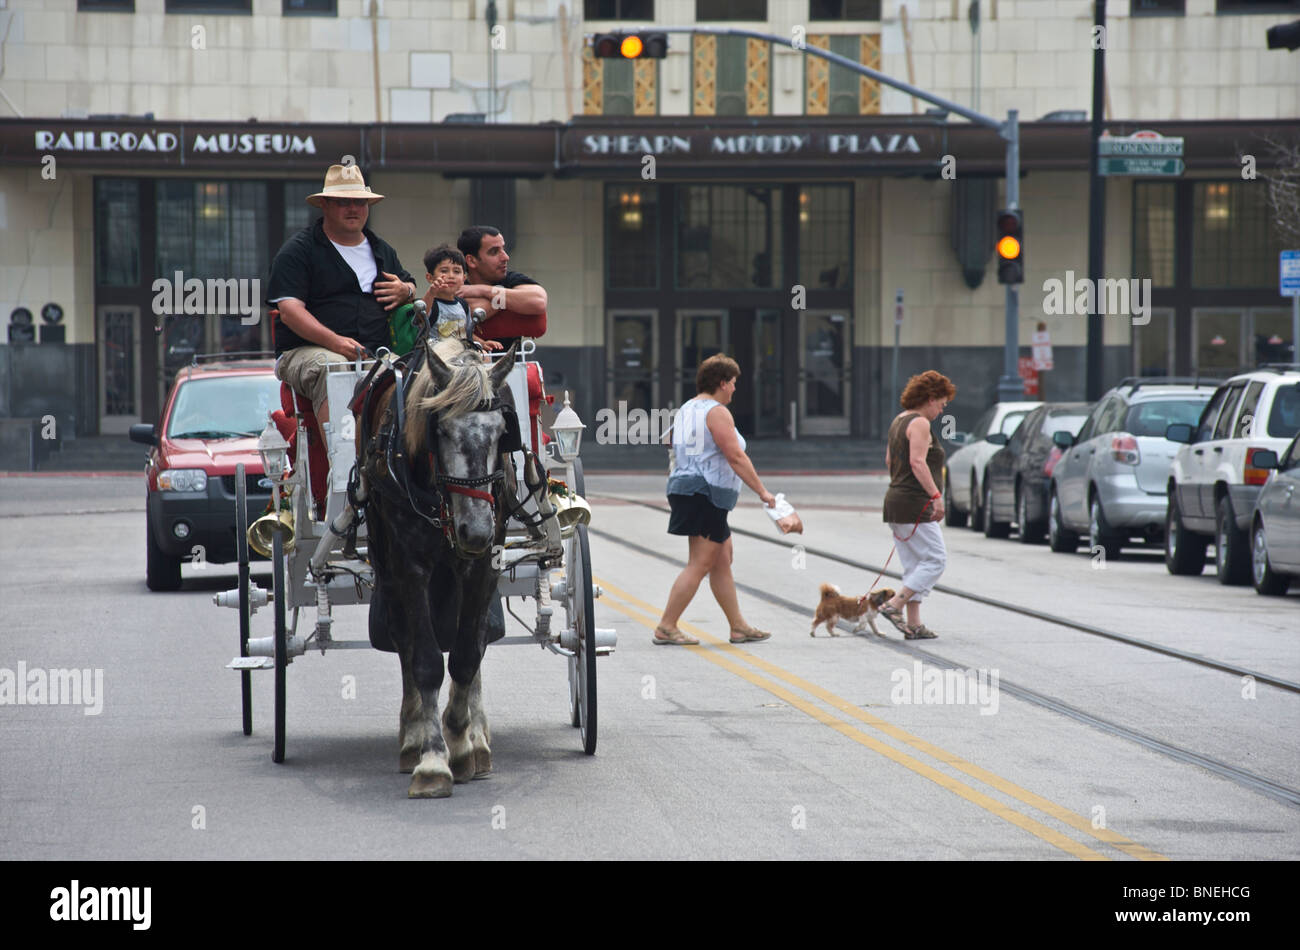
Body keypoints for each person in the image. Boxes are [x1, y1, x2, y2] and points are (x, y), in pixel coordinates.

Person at [268, 163, 417, 427]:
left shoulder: (383, 250)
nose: (353, 209)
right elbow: (290, 312)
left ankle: (400, 464)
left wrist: (406, 290)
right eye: (343, 202)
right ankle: (342, 464)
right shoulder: (298, 251)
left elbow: (409, 285)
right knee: (335, 368)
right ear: (324, 204)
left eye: (360, 202)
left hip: (373, 352)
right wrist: (335, 342)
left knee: (412, 376)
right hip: (305, 351)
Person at [654, 354, 777, 646]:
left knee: (722, 559)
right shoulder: (717, 411)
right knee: (700, 562)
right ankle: (666, 626)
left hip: (689, 490)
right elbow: (735, 456)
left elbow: (667, 440)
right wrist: (762, 491)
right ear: (722, 383)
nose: (735, 389)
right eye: (733, 383)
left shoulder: (688, 408)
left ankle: (738, 627)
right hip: (704, 493)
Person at [879, 370, 957, 640]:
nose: (942, 410)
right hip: (915, 503)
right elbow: (917, 462)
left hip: (896, 501)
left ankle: (913, 623)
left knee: (914, 564)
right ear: (930, 398)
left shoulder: (898, 421)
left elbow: (890, 461)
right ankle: (895, 605)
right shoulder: (921, 423)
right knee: (936, 559)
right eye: (942, 404)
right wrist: (935, 496)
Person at [456, 225, 548, 350]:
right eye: (494, 252)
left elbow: (538, 302)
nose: (505, 257)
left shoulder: (510, 279)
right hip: (468, 366)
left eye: (503, 249)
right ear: (472, 261)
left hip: (513, 366)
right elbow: (471, 311)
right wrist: (511, 302)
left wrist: (483, 290)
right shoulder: (457, 288)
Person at [419, 243, 502, 351]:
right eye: (444, 271)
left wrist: (483, 343)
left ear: (464, 278)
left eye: (456, 271)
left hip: (460, 358)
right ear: (430, 278)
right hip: (436, 359)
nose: (451, 276)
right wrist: (431, 292)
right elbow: (421, 317)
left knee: (485, 357)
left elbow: (467, 334)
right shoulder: (430, 303)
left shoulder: (463, 305)